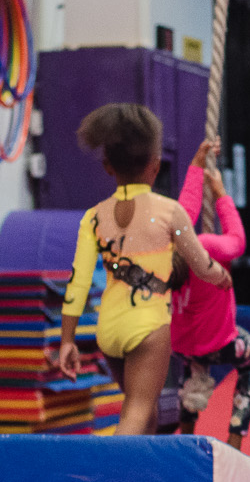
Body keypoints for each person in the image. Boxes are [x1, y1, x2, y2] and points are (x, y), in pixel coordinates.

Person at [55, 105, 231, 436]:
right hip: (148, 329)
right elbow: (199, 262)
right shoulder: (169, 213)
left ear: (108, 166)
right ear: (155, 165)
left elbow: (77, 282)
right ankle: (111, 481)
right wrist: (219, 276)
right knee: (136, 411)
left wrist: (67, 340)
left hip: (109, 329)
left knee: (144, 409)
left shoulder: (93, 218)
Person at [171, 137, 250, 446]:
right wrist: (222, 195)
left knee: (193, 362)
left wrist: (197, 165)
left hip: (183, 345)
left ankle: (186, 431)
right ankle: (236, 434)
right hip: (221, 343)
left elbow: (184, 212)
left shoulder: (163, 251)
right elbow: (237, 240)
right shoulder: (206, 249)